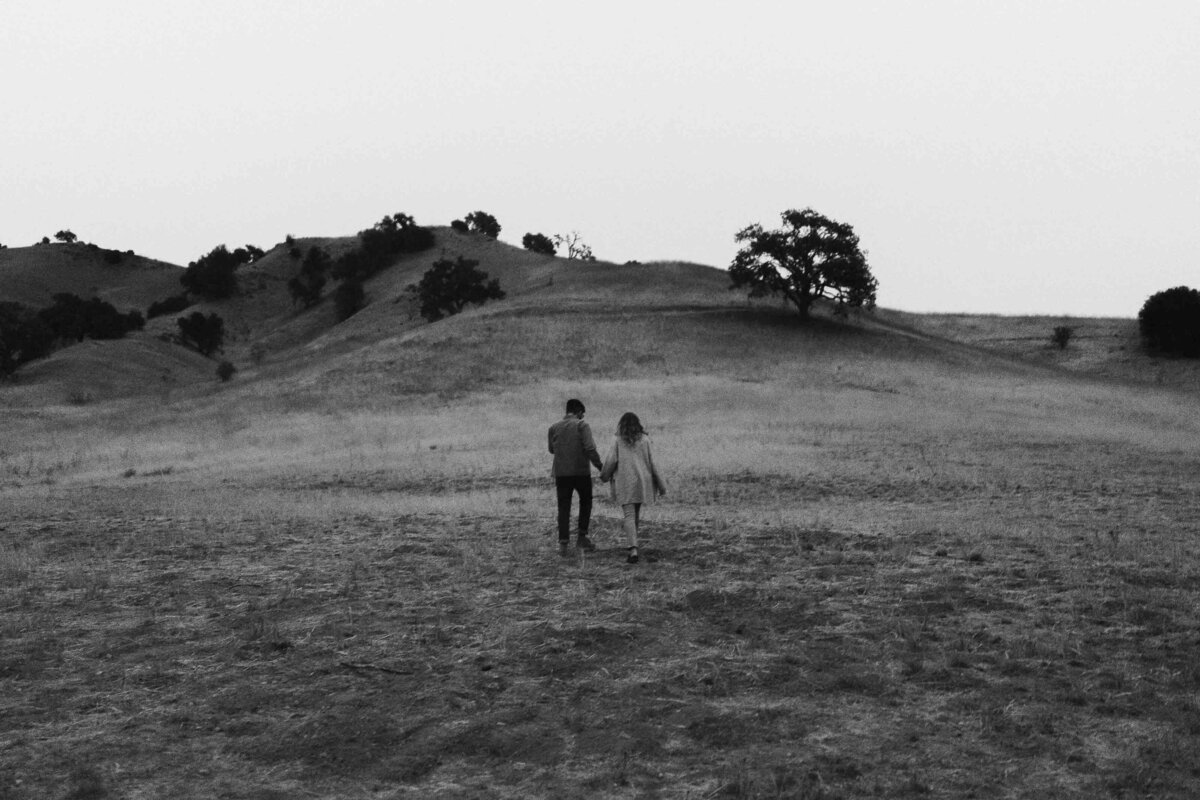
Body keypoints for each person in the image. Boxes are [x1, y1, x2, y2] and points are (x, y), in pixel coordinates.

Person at [599, 412, 666, 564]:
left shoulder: (616, 440)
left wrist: (604, 476)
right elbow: (654, 463)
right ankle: (633, 545)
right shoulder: (645, 440)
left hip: (624, 482)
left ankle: (633, 549)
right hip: (642, 482)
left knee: (628, 514)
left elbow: (611, 461)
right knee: (635, 514)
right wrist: (662, 485)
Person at [548, 398, 603, 554]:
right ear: (579, 412)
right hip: (580, 472)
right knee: (586, 502)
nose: (582, 417)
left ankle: (563, 544)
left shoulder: (553, 427)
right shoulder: (582, 425)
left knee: (563, 507)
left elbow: (551, 449)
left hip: (561, 473)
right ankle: (581, 538)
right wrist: (601, 467)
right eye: (582, 414)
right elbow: (590, 449)